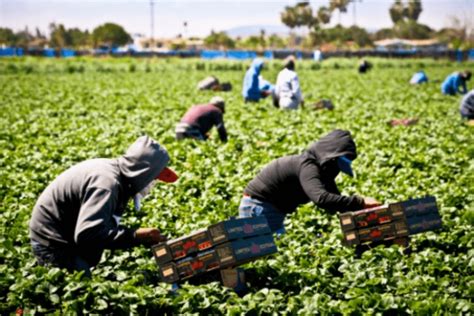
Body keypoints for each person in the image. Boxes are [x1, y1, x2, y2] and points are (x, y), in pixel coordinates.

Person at [29, 136, 178, 276]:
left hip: (67, 232)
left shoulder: (119, 176)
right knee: (81, 287)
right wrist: (136, 236)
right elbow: (88, 234)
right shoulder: (107, 184)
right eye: (154, 179)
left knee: (86, 264)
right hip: (52, 241)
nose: (153, 184)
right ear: (142, 172)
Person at [238, 129, 381, 234]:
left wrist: (361, 211)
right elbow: (321, 199)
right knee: (263, 252)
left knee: (271, 250)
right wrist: (360, 202)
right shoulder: (308, 167)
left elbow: (332, 200)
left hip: (269, 209)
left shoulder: (322, 170)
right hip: (259, 207)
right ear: (330, 158)